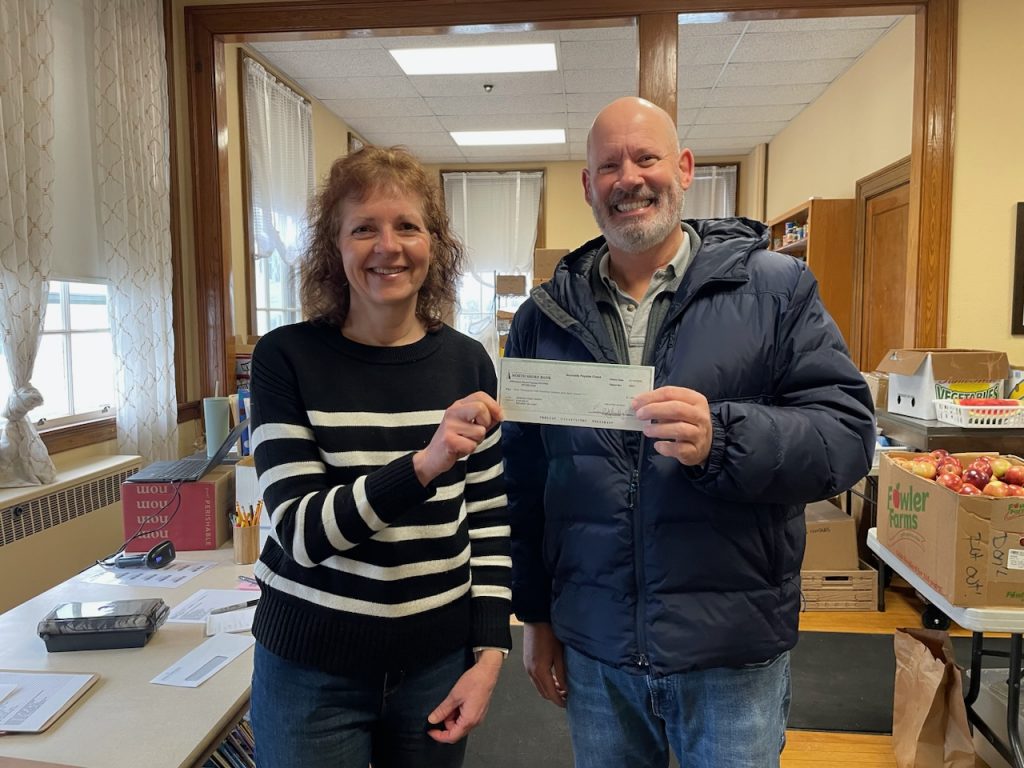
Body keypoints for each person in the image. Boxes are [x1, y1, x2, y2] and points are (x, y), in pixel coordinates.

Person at [502, 96, 875, 768]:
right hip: (597, 649)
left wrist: (725, 437)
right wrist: (536, 618)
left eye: (646, 158)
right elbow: (526, 485)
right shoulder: (543, 317)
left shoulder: (777, 290)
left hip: (730, 651)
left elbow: (847, 436)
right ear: (588, 185)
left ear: (684, 169)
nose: (629, 178)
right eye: (609, 165)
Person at [247, 146, 511, 768]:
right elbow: (303, 533)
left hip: (435, 667)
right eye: (363, 227)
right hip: (310, 670)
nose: (386, 245)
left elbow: (491, 522)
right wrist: (425, 464)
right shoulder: (285, 359)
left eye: (407, 226)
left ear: (434, 245)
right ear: (333, 250)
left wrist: (490, 656)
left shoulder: (469, 362)